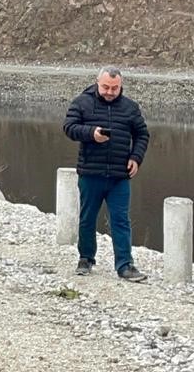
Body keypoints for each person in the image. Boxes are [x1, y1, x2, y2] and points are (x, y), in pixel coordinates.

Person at [64, 67, 150, 282]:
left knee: (120, 220)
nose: (110, 92)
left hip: (119, 175)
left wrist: (136, 158)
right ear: (97, 83)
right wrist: (91, 134)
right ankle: (85, 258)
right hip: (90, 172)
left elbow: (142, 135)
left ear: (121, 86)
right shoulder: (81, 103)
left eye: (115, 88)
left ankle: (125, 265)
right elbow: (69, 127)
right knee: (87, 219)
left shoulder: (130, 108)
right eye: (106, 87)